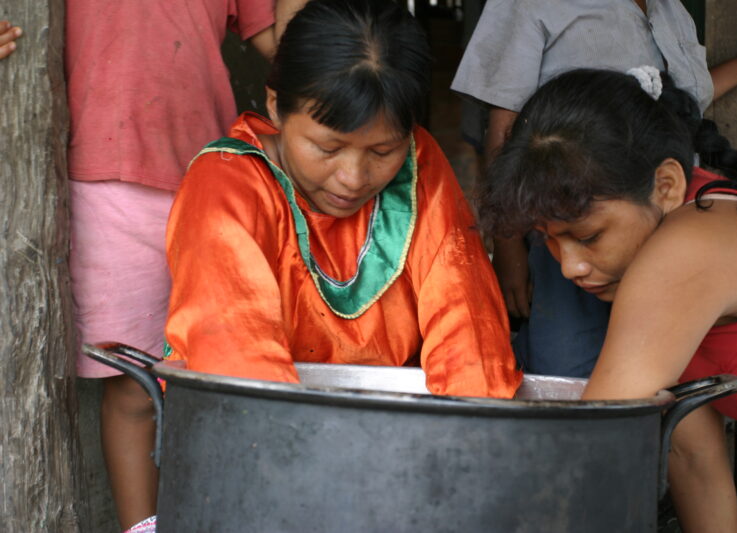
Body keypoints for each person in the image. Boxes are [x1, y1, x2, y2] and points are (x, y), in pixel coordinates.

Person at [479, 67, 737, 533]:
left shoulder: (684, 253)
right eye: (547, 239)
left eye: (587, 236)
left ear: (666, 185)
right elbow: (693, 457)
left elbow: (589, 446)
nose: (569, 267)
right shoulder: (657, 235)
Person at [164, 0, 522, 397]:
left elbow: (469, 334)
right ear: (274, 106)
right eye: (328, 148)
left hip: (396, 426)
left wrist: (465, 435)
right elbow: (236, 359)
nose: (352, 178)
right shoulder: (225, 183)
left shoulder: (418, 161)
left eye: (382, 152)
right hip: (263, 427)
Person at [452, 0, 737, 377]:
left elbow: (680, 105)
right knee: (569, 373)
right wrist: (509, 251)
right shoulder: (528, 4)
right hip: (579, 225)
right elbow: (506, 131)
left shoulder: (670, 11)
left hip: (658, 226)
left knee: (662, 376)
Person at [65, 1, 278, 531]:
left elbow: (284, 47)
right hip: (108, 180)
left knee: (226, 371)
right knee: (133, 381)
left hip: (213, 178)